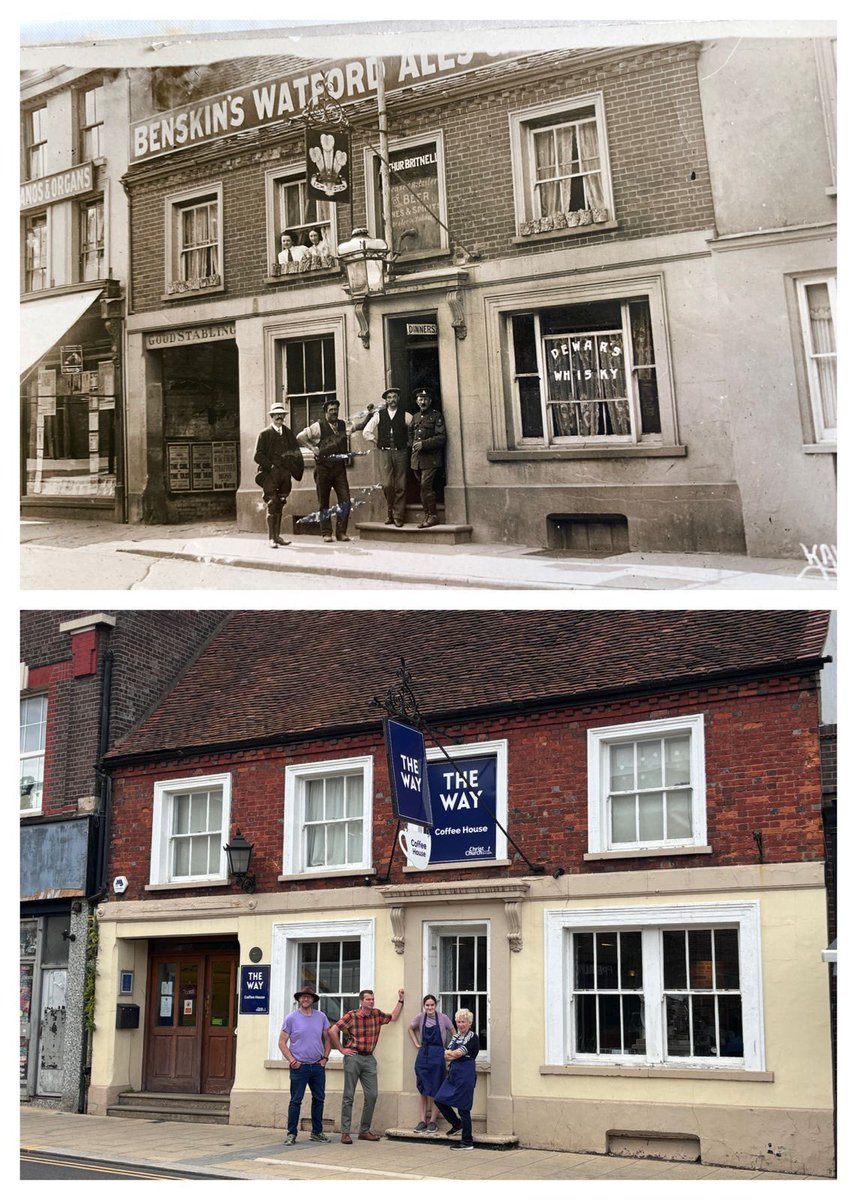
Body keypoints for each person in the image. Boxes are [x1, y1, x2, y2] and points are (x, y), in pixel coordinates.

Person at [327, 987, 405, 1143]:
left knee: (372, 1095)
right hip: (354, 1057)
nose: (371, 1001)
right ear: (361, 1001)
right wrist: (342, 1049)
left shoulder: (376, 1014)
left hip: (369, 1059)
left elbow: (394, 1017)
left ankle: (364, 1130)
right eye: (368, 999)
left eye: (372, 998)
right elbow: (332, 1031)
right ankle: (345, 1132)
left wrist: (401, 1000)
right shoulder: (352, 1016)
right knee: (348, 1096)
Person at [296, 398, 370, 543]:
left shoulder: (342, 424)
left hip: (339, 469)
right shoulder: (318, 426)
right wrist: (313, 448)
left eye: (336, 409)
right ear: (325, 412)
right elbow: (300, 437)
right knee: (323, 502)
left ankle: (341, 532)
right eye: (331, 410)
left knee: (346, 501)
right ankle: (326, 533)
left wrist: (369, 414)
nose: (334, 412)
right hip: (323, 468)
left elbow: (360, 426)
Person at [278, 984, 332, 1145]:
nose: (305, 998)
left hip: (317, 1066)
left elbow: (328, 1039)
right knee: (296, 1100)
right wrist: (292, 1061)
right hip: (299, 1067)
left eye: (308, 996)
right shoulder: (291, 1018)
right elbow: (281, 1042)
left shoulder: (321, 1017)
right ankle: (291, 1134)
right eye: (302, 996)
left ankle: (317, 1132)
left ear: (313, 999)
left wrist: (325, 1058)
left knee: (319, 1099)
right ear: (299, 999)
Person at [253, 400, 304, 548]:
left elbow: (296, 453)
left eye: (281, 415)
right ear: (272, 416)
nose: (279, 417)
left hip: (284, 476)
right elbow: (257, 455)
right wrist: (271, 465)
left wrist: (293, 468)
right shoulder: (264, 434)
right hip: (270, 475)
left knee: (281, 503)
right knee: (272, 503)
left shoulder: (288, 433)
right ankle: (271, 538)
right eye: (276, 415)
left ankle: (278, 536)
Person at [361, 387, 413, 527]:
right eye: (389, 397)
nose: (392, 400)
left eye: (394, 397)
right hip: (384, 452)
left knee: (400, 484)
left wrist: (409, 442)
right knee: (387, 484)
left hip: (400, 452)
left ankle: (398, 516)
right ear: (386, 400)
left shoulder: (405, 415)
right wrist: (376, 441)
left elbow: (414, 429)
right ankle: (390, 511)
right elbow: (366, 431)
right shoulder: (379, 415)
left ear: (398, 399)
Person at [434, 1008, 480, 1151]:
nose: (460, 1024)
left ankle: (467, 1141)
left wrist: (452, 1054)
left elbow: (457, 1053)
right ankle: (456, 1124)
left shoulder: (473, 1038)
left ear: (469, 1023)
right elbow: (447, 1055)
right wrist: (452, 1054)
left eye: (463, 1022)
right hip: (454, 1073)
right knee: (439, 1099)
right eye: (458, 1022)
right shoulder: (455, 1037)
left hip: (466, 1073)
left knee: (464, 1108)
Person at [408, 994, 455, 1132]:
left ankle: (433, 1121)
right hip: (423, 1055)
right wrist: (416, 1043)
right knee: (422, 1089)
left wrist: (450, 1048)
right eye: (427, 1005)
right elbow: (410, 1028)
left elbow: (453, 1031)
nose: (430, 1007)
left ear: (436, 1005)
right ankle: (422, 1120)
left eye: (432, 1005)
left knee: (436, 1088)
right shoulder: (420, 1017)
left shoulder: (443, 1018)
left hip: (438, 1056)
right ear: (424, 1006)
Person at [410, 388, 446, 528]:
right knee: (423, 487)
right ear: (417, 401)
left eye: (425, 399)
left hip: (431, 459)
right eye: (420, 399)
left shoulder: (436, 416)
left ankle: (432, 516)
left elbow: (441, 438)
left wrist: (423, 444)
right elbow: (410, 434)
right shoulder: (415, 417)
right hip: (417, 460)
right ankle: (427, 515)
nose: (423, 402)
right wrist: (412, 445)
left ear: (430, 401)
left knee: (426, 487)